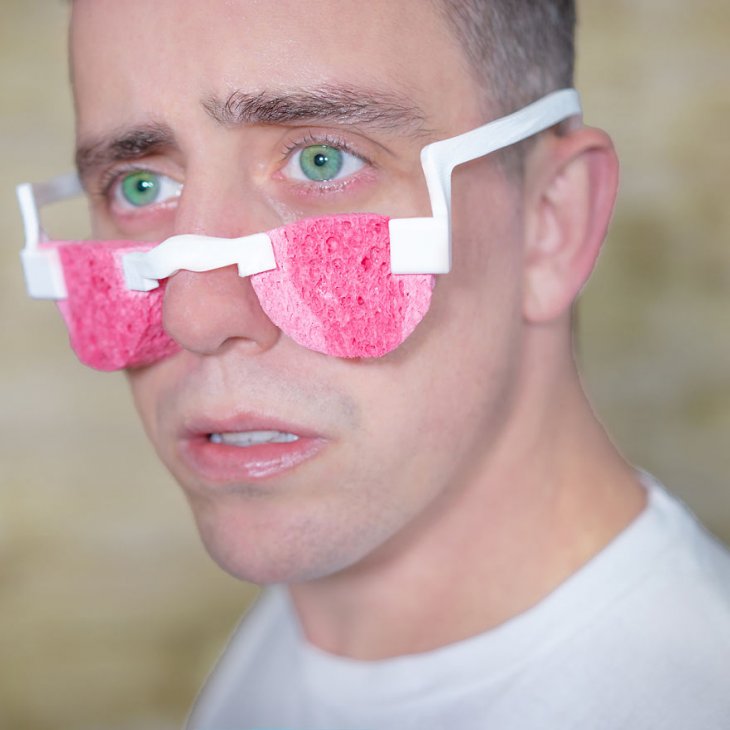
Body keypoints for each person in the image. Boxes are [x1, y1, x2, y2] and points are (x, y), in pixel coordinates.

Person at [22, 0, 730, 727]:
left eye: (322, 161)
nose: (193, 316)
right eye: (139, 185)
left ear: (553, 220)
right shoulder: (302, 635)